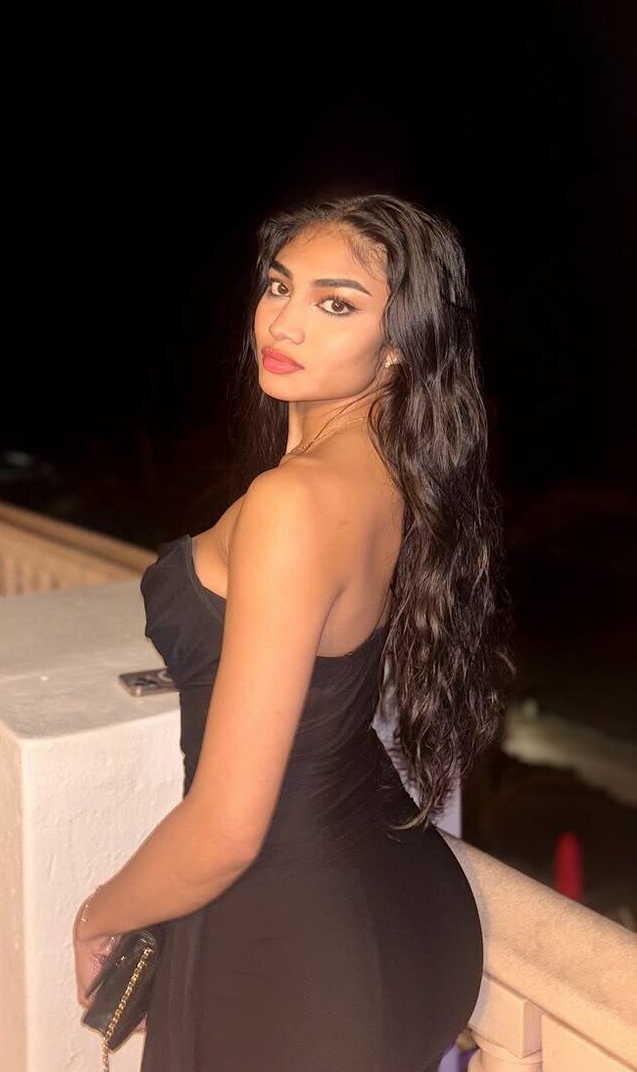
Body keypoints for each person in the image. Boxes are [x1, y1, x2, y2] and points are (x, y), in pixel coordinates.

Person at [73, 193, 514, 1071]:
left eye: (335, 303)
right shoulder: (394, 471)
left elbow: (227, 828)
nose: (282, 323)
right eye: (278, 286)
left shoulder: (293, 503)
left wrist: (97, 915)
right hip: (402, 904)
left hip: (291, 943)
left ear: (401, 344)